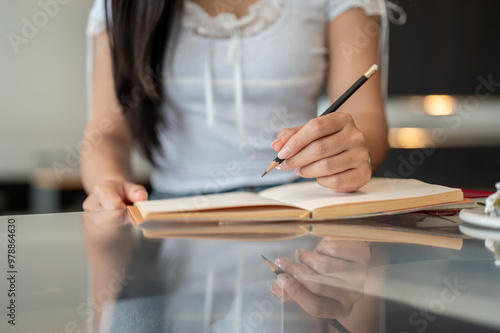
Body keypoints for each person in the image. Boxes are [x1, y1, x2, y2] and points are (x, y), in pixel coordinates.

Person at [81, 0, 389, 212]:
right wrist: (108, 183)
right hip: (174, 217)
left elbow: (367, 119)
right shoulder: (120, 6)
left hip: (305, 204)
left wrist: (353, 155)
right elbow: (107, 133)